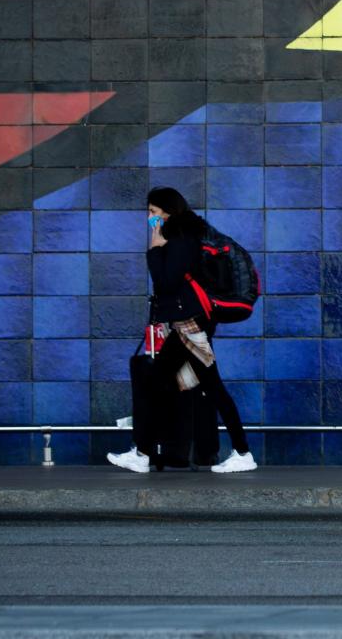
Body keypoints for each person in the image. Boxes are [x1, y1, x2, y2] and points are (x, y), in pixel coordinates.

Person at [107, 187, 258, 474]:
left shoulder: (180, 237)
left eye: (153, 212)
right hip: (186, 323)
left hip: (191, 324)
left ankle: (243, 452)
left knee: (212, 390)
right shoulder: (186, 234)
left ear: (166, 211)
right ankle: (141, 453)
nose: (149, 218)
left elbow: (167, 282)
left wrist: (154, 248)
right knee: (161, 385)